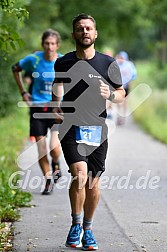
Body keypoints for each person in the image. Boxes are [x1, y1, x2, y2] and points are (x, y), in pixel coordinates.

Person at [52, 14, 125, 250]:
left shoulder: (108, 63)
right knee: (79, 174)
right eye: (80, 28)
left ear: (95, 34)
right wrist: (55, 104)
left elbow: (121, 92)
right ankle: (75, 224)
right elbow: (58, 83)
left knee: (93, 182)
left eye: (89, 28)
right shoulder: (63, 62)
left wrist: (111, 95)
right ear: (73, 35)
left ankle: (87, 228)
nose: (85, 31)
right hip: (71, 125)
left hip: (97, 129)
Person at [12, 29, 63, 195]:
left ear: (57, 45)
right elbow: (15, 68)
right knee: (42, 148)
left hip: (56, 109)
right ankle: (48, 180)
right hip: (38, 108)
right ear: (43, 44)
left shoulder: (63, 60)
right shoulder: (33, 60)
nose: (50, 47)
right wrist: (23, 93)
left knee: (54, 147)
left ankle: (56, 164)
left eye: (53, 44)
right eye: (47, 44)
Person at [115, 51, 137, 125]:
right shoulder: (117, 64)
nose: (121, 59)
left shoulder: (129, 65)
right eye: (120, 57)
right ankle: (119, 116)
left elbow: (134, 74)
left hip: (126, 86)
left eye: (122, 58)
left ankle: (123, 116)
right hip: (118, 85)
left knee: (125, 101)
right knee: (119, 101)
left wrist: (130, 81)